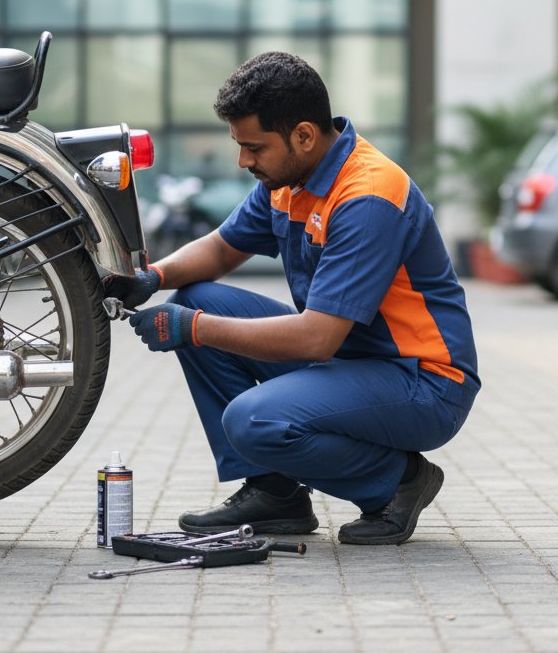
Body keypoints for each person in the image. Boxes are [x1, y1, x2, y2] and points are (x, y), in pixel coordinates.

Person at [107, 52, 479, 546]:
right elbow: (221, 248)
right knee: (200, 295)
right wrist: (153, 275)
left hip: (424, 383)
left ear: (303, 135)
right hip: (353, 363)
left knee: (251, 417)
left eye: (254, 148)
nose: (244, 161)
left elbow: (317, 338)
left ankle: (397, 482)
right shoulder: (290, 178)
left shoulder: (367, 196)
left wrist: (188, 327)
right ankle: (274, 493)